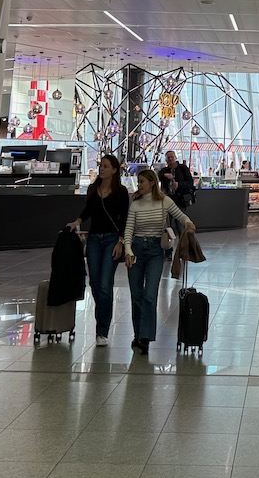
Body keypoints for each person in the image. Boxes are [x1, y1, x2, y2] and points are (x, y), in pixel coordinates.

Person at [122, 167, 195, 355]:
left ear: (152, 183)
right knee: (136, 295)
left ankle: (145, 337)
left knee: (150, 294)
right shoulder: (135, 204)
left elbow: (180, 215)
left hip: (155, 251)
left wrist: (188, 223)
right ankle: (138, 334)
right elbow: (129, 230)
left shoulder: (164, 201)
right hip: (136, 249)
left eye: (142, 182)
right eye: (138, 183)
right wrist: (128, 250)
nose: (139, 186)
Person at [67, 152, 128, 346]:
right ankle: (102, 316)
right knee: (94, 282)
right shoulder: (93, 190)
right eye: (101, 165)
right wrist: (77, 222)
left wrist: (121, 241)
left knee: (105, 284)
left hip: (112, 239)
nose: (102, 169)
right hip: (94, 239)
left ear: (114, 170)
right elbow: (87, 212)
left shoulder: (121, 192)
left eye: (106, 166)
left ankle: (102, 330)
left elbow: (124, 218)